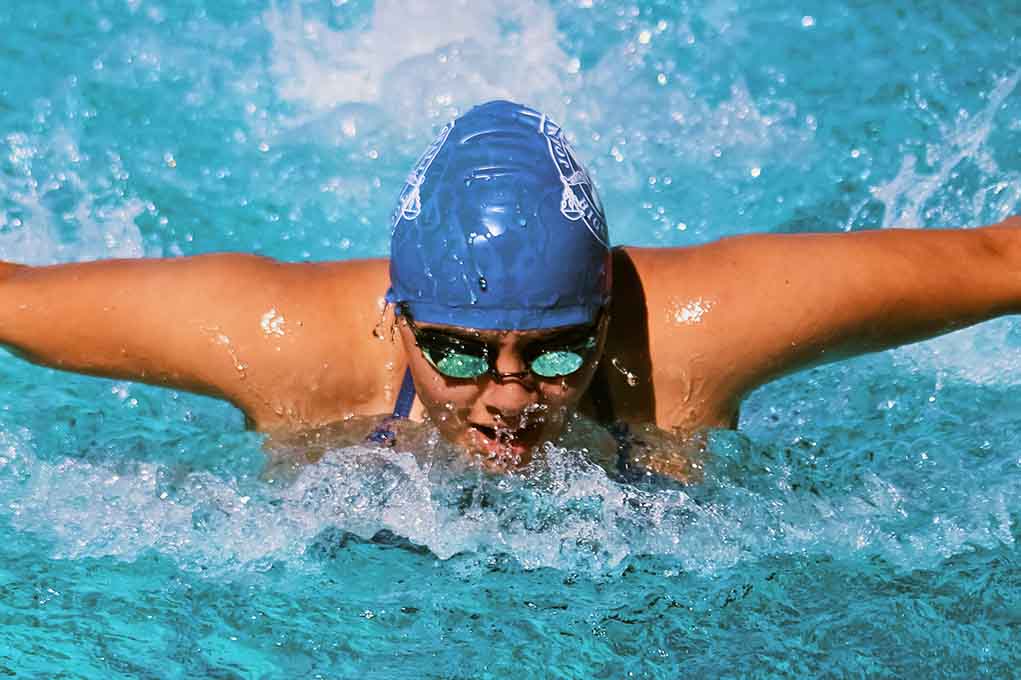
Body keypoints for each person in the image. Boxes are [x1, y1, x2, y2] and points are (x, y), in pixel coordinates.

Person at [0, 100, 1018, 482]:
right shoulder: (281, 339)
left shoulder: (698, 328)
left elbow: (993, 260)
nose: (510, 396)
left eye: (557, 351)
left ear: (605, 320)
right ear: (398, 318)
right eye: (457, 351)